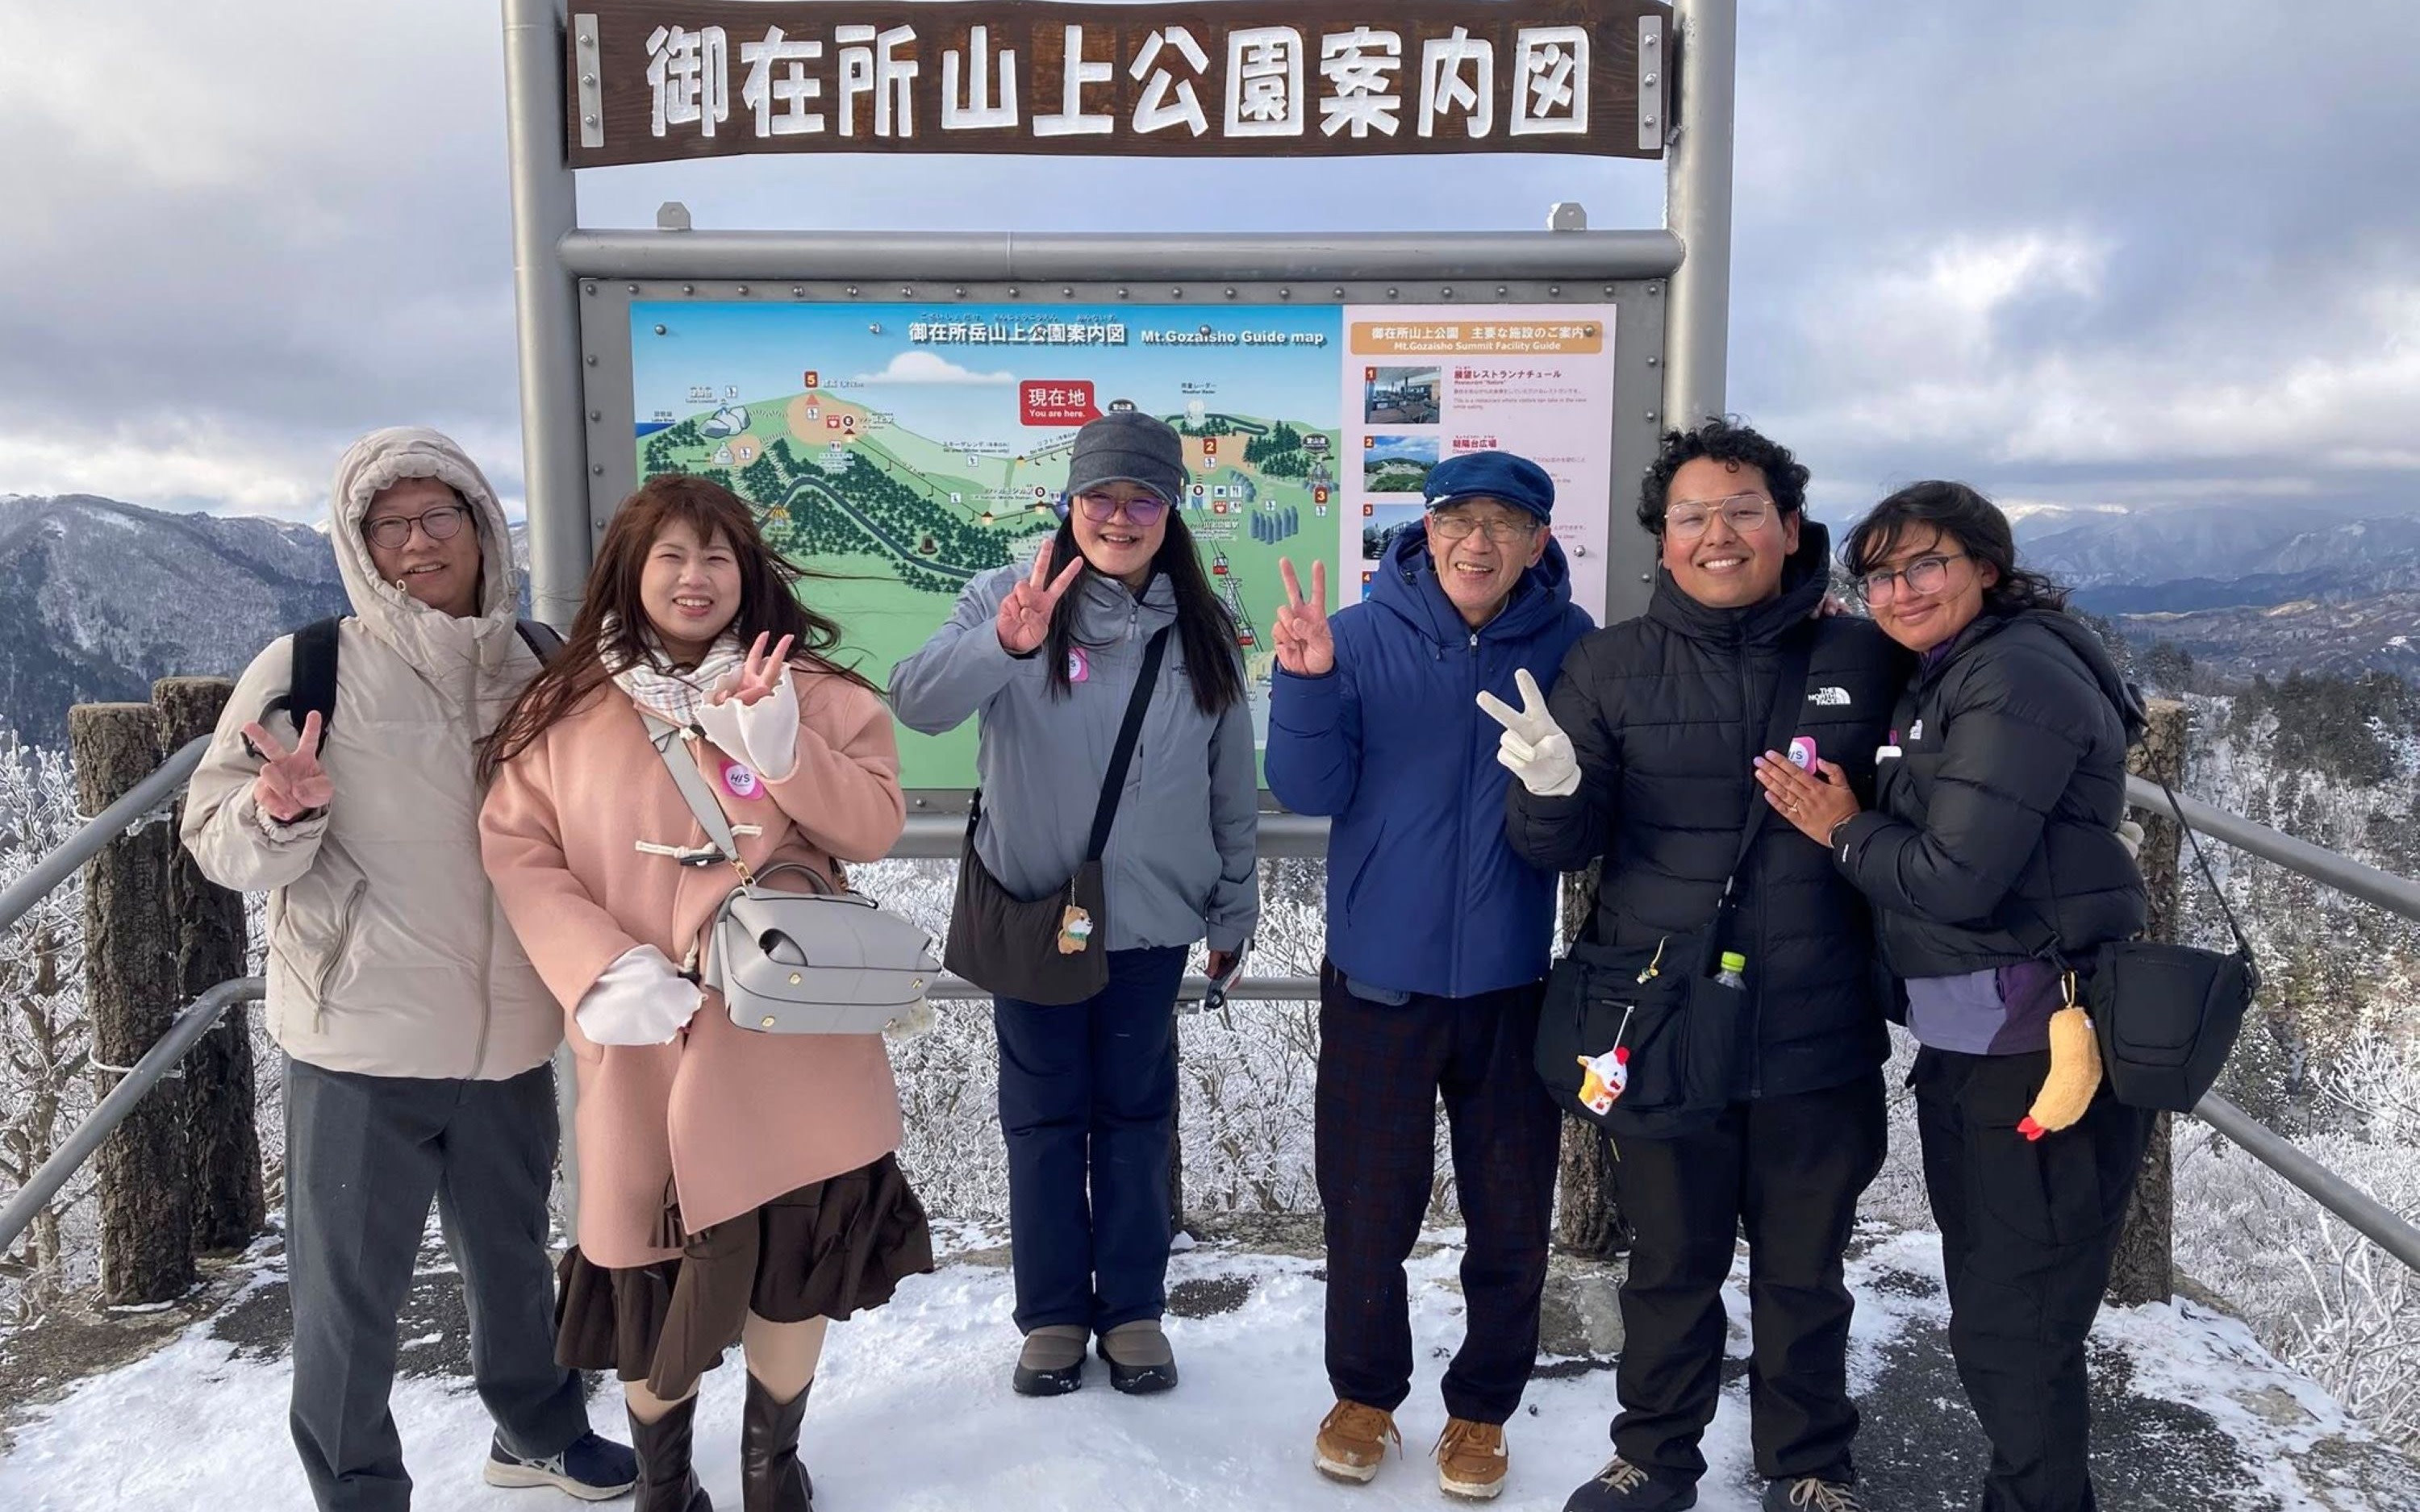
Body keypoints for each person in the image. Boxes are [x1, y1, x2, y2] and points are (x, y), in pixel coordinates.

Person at [182, 427, 632, 1510]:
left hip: (514, 1027)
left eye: (442, 516)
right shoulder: (307, 665)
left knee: (517, 1257)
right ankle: (358, 1490)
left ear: (483, 527)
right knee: (350, 1297)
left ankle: (537, 1430)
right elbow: (216, 836)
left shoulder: (539, 661)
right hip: (363, 1034)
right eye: (391, 524)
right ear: (359, 543)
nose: (419, 542)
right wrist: (274, 808)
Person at [478, 473, 934, 1512]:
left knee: (797, 1258)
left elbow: (871, 825)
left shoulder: (816, 691)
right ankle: (663, 1482)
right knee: (643, 1267)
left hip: (793, 1042)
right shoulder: (564, 710)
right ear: (630, 573)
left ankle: (771, 1469)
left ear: (748, 573)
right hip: (645, 1041)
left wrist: (783, 752)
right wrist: (596, 966)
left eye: (717, 557)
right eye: (672, 556)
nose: (695, 578)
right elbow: (518, 849)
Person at [1500, 420, 1909, 1512]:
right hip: (1668, 1018)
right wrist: (1545, 782)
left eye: (1740, 511)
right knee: (1670, 1262)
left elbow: (1935, 802)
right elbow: (1559, 843)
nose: (1715, 535)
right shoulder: (1611, 664)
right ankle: (1654, 1455)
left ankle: (1810, 1463)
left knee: (1805, 1269)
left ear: (1789, 527)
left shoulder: (1863, 659)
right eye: (1691, 517)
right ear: (1661, 540)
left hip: (1816, 1022)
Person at [1753, 481, 2151, 1512]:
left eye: (1924, 564)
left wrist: (1840, 829)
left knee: (2014, 1323)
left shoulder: (2012, 675)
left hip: (2034, 1043)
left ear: (1986, 563)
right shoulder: (1959, 666)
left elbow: (1957, 876)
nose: (1899, 590)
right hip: (1983, 1033)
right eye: (1880, 574)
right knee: (2002, 1309)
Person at [891, 410, 1258, 1397]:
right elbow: (915, 699)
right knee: (1044, 1122)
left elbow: (1231, 781)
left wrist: (1234, 908)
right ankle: (1052, 1315)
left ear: (1172, 507)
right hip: (1038, 913)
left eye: (1144, 496)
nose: (1121, 515)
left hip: (1153, 919)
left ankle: (1133, 1310)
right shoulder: (1006, 597)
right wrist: (1006, 648)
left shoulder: (1202, 626)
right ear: (1071, 501)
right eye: (1101, 495)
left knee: (1137, 1119)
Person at [1263, 451, 1593, 1500]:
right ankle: (1364, 1392)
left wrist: (1564, 779)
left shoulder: (1576, 651)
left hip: (1508, 983)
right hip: (1377, 983)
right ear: (1427, 528)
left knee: (1509, 1212)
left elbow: (1583, 831)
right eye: (1460, 518)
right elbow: (1307, 785)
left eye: (1507, 522)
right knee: (1367, 1205)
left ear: (1539, 542)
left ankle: (1481, 1408)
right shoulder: (1355, 637)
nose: (1480, 541)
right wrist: (1306, 680)